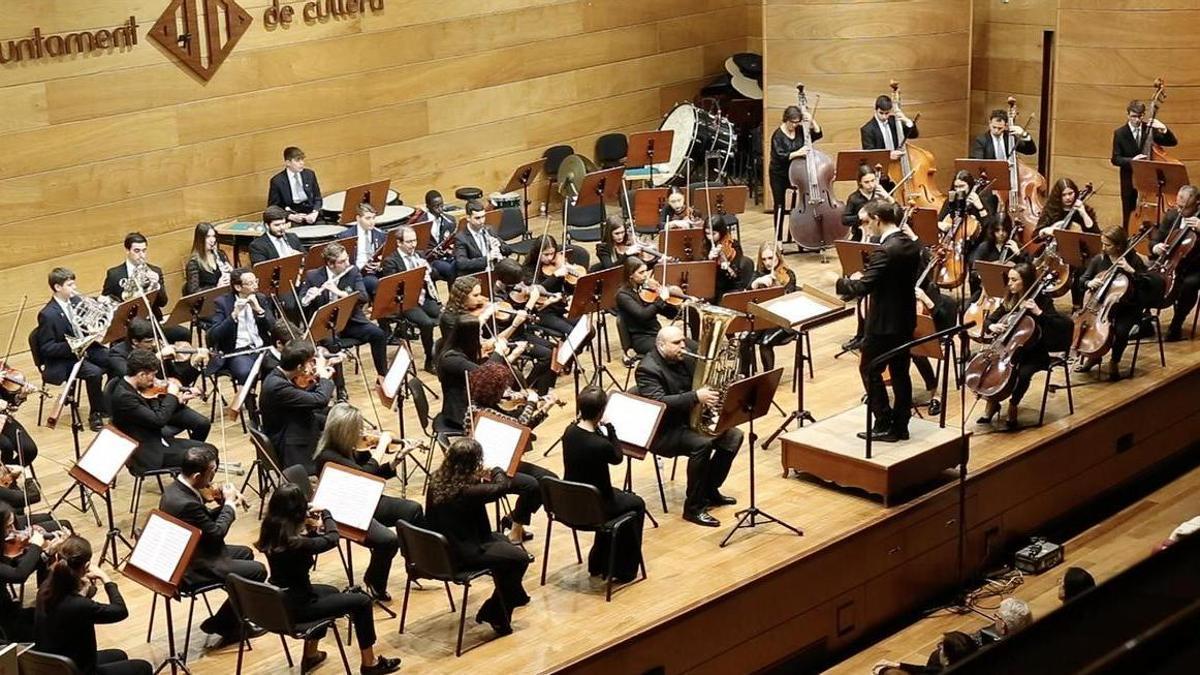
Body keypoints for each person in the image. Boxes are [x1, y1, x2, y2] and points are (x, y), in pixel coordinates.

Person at [255, 484, 402, 675]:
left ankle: (311, 655)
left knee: (330, 591)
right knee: (362, 601)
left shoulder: (271, 530)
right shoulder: (296, 542)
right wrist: (327, 513)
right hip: (300, 607)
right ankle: (370, 663)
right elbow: (332, 539)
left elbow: (303, 550)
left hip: (282, 600)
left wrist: (309, 527)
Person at [436, 315, 553, 544]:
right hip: (488, 468)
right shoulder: (485, 413)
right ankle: (516, 528)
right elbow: (520, 426)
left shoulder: (480, 404)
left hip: (500, 459)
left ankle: (515, 521)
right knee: (536, 485)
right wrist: (531, 402)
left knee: (547, 478)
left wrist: (542, 408)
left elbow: (519, 427)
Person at [159, 446, 267, 647]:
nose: (213, 477)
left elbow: (203, 521)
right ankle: (226, 624)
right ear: (197, 475)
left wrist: (224, 504)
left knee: (246, 553)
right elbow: (216, 533)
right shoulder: (186, 503)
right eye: (212, 472)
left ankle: (229, 617)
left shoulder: (175, 490)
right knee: (258, 571)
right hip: (195, 565)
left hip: (193, 550)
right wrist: (229, 506)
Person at [313, 403, 423, 599]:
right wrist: (381, 446)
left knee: (412, 510)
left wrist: (395, 460)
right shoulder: (327, 456)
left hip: (363, 498)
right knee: (388, 541)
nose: (362, 432)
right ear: (345, 431)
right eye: (358, 429)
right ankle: (374, 580)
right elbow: (363, 475)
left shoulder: (347, 449)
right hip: (343, 511)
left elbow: (368, 476)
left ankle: (416, 565)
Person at [636, 325, 743, 527]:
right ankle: (693, 508)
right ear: (661, 344)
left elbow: (704, 380)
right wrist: (695, 397)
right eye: (677, 343)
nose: (683, 346)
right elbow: (660, 403)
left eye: (683, 341)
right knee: (702, 445)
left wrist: (724, 383)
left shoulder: (684, 358)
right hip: (664, 431)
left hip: (688, 420)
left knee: (733, 436)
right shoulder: (647, 369)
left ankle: (709, 490)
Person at [425, 438, 531, 635]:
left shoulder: (436, 480)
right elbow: (502, 487)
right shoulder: (467, 491)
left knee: (503, 541)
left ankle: (511, 595)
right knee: (520, 559)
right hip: (464, 553)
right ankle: (495, 611)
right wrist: (495, 470)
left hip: (445, 547)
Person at [835, 201, 922, 442]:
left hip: (884, 323)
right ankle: (901, 426)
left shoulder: (886, 250)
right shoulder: (910, 245)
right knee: (900, 373)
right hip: (905, 319)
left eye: (866, 222)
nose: (866, 227)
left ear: (877, 219)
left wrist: (841, 281)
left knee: (869, 369)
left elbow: (863, 287)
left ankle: (883, 422)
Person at [33, 535, 153, 675]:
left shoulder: (46, 587)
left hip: (54, 665)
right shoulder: (80, 605)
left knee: (119, 655)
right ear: (87, 566)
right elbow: (120, 611)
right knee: (143, 667)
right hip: (79, 671)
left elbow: (68, 607)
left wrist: (82, 592)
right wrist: (106, 579)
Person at [561, 387, 645, 582]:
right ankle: (623, 570)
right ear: (601, 412)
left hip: (572, 501)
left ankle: (598, 562)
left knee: (620, 498)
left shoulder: (569, 431)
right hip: (598, 506)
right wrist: (611, 430)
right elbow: (617, 457)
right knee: (637, 504)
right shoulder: (600, 445)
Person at [977, 262, 1073, 430]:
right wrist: (992, 326)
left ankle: (1013, 404)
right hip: (1009, 351)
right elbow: (990, 319)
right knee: (989, 370)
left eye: (1014, 280)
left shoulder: (1042, 300)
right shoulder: (1011, 298)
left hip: (1035, 353)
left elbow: (1059, 326)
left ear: (1026, 281)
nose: (1009, 283)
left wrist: (1039, 313)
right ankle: (992, 402)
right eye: (1009, 279)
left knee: (1022, 373)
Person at [106, 349, 216, 473]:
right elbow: (158, 420)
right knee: (207, 455)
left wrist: (177, 400)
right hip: (149, 453)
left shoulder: (133, 387)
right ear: (141, 375)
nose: (154, 380)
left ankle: (192, 483)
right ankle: (190, 486)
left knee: (208, 451)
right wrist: (172, 396)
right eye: (152, 375)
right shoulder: (124, 397)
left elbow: (152, 409)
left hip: (156, 440)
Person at [1076, 225, 1159, 380]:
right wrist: (1090, 283)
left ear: (1119, 245)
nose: (1103, 247)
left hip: (1128, 306)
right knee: (1091, 327)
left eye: (1107, 245)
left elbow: (1148, 284)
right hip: (1101, 307)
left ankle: (1114, 361)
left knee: (1120, 331)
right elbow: (1082, 280)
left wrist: (1131, 271)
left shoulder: (1133, 259)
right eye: (1102, 243)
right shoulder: (1099, 259)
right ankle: (1093, 357)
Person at [107, 321, 210, 441]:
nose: (154, 344)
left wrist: (195, 363)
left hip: (163, 399)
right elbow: (130, 374)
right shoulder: (117, 353)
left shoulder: (155, 348)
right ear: (135, 341)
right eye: (148, 341)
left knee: (202, 424)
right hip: (141, 406)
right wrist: (158, 356)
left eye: (154, 339)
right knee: (165, 436)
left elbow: (177, 378)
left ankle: (193, 456)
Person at [35, 267, 111, 430]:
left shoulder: (76, 302)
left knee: (115, 360)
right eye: (70, 285)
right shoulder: (48, 314)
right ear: (57, 287)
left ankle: (109, 404)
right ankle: (95, 414)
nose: (74, 288)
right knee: (94, 373)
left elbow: (88, 324)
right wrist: (73, 346)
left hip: (88, 349)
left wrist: (95, 328)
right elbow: (47, 348)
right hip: (66, 359)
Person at [298, 242, 390, 375]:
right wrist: (308, 297)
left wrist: (340, 293)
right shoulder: (313, 276)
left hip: (350, 322)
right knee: (332, 344)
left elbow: (363, 297)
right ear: (330, 264)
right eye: (342, 261)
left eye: (347, 258)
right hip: (326, 326)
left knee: (379, 334)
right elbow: (301, 303)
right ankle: (341, 388)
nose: (347, 263)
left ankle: (383, 376)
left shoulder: (352, 271)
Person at [260, 340, 336, 472]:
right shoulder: (277, 385)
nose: (313, 365)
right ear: (300, 367)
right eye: (310, 361)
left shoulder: (278, 376)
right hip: (288, 440)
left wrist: (318, 380)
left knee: (335, 416)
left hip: (291, 423)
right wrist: (325, 378)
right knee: (334, 425)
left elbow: (301, 396)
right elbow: (320, 400)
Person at [100, 233, 190, 343]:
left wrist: (157, 285)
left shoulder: (155, 271)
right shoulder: (114, 274)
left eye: (144, 250)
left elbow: (163, 303)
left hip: (151, 323)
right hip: (127, 327)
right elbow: (104, 302)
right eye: (137, 251)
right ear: (127, 251)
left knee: (184, 334)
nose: (142, 255)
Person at [379, 224, 443, 372]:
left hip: (423, 297)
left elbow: (435, 275)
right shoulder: (391, 261)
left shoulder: (419, 255)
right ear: (399, 243)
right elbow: (392, 288)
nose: (413, 245)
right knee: (426, 323)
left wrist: (429, 269)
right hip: (406, 302)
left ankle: (444, 354)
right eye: (409, 242)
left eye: (414, 241)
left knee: (446, 317)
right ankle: (430, 360)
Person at [0, 502, 67, 642]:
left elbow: (14, 565)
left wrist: (47, 553)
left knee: (56, 616)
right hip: (3, 625)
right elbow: (18, 574)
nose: (13, 531)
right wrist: (36, 546)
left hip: (9, 609)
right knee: (54, 628)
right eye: (8, 527)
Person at [1112, 99, 1178, 227]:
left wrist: (1164, 129)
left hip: (1148, 180)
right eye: (1133, 116)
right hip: (1129, 179)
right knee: (1129, 213)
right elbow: (1115, 158)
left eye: (1140, 116)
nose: (1136, 120)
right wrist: (1132, 161)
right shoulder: (1120, 133)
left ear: (1143, 115)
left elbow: (1172, 142)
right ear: (1128, 115)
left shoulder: (1149, 130)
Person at [207, 268, 276, 384]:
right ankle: (249, 401)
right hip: (238, 351)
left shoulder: (260, 298)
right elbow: (214, 335)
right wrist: (233, 315)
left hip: (261, 347)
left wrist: (259, 311)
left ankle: (268, 398)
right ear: (238, 287)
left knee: (277, 367)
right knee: (245, 372)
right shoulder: (222, 303)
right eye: (250, 283)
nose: (255, 286)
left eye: (256, 281)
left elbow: (273, 327)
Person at [1151, 184, 1200, 342]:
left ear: (1197, 204)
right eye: (1178, 206)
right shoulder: (1172, 216)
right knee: (1145, 276)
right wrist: (1156, 247)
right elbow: (1154, 240)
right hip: (1170, 264)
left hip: (1195, 268)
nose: (1179, 210)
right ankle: (1143, 322)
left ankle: (1176, 324)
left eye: (1184, 207)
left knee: (1190, 285)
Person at [740, 242, 798, 375]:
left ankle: (768, 377)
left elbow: (788, 300)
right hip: (764, 318)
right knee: (744, 339)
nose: (767, 263)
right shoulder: (758, 274)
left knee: (765, 342)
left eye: (771, 258)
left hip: (784, 320)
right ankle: (744, 375)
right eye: (764, 259)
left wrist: (776, 287)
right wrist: (756, 283)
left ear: (778, 257)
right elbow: (747, 294)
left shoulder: (788, 274)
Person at [769, 105, 823, 240]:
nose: (794, 125)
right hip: (779, 175)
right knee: (779, 205)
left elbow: (817, 134)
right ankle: (779, 239)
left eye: (797, 122)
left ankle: (807, 235)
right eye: (792, 122)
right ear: (786, 120)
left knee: (808, 200)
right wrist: (797, 153)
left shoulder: (800, 130)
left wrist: (812, 121)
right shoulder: (777, 135)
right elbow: (779, 155)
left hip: (797, 174)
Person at [615, 258, 679, 357]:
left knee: (692, 346)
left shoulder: (645, 290)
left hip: (657, 333)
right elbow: (643, 315)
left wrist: (667, 301)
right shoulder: (623, 295)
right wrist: (660, 300)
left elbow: (671, 314)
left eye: (646, 271)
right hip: (641, 338)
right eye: (641, 272)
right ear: (630, 275)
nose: (646, 275)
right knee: (676, 351)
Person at [967, 219, 1025, 302]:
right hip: (986, 291)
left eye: (1004, 230)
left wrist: (1019, 253)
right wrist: (984, 276)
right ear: (993, 231)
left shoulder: (1015, 246)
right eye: (997, 230)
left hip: (1010, 292)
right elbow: (974, 271)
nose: (1001, 233)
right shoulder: (984, 247)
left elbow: (1028, 269)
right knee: (966, 307)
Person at [339, 202, 388, 298]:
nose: (372, 222)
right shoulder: (346, 236)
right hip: (358, 275)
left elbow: (385, 255)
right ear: (358, 218)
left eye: (373, 218)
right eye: (368, 218)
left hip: (377, 271)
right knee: (376, 284)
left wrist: (380, 263)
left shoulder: (381, 234)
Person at [860, 94, 919, 170]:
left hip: (899, 168)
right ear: (875, 110)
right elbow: (870, 155)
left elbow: (914, 135)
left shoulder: (895, 121)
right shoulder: (867, 129)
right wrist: (888, 156)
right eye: (881, 113)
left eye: (887, 113)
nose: (884, 117)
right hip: (881, 171)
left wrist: (906, 120)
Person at [267, 146, 322, 224]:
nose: (302, 163)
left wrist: (315, 212)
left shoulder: (309, 174)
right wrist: (290, 216)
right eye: (297, 160)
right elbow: (273, 208)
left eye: (302, 159)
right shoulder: (277, 181)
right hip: (292, 216)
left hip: (311, 213)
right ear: (288, 163)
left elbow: (318, 197)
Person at [454, 199, 510, 274]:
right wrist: (488, 258)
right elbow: (462, 264)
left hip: (494, 271)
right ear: (468, 218)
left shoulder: (488, 229)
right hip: (477, 275)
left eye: (483, 217)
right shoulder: (461, 238)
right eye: (477, 218)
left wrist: (499, 246)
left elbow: (508, 250)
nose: (482, 221)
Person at [417, 189, 459, 285]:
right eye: (436, 206)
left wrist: (449, 250)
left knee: (461, 264)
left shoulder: (450, 220)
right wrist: (430, 253)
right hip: (431, 260)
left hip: (446, 256)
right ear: (428, 206)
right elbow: (418, 248)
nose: (440, 209)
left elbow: (452, 242)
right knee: (450, 269)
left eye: (441, 205)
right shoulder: (421, 224)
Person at [708, 217, 754, 297]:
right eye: (707, 233)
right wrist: (709, 260)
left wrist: (725, 264)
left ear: (721, 232)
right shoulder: (705, 247)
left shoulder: (734, 245)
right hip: (714, 286)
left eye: (713, 234)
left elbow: (736, 275)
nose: (710, 237)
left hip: (732, 285)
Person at [843, 165, 891, 241]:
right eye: (866, 182)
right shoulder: (854, 198)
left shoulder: (879, 193)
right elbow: (845, 220)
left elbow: (893, 213)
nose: (871, 185)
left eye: (873, 180)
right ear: (860, 182)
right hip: (861, 236)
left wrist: (888, 197)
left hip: (880, 235)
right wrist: (860, 217)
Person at [183, 222, 233, 295]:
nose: (212, 240)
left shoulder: (220, 254)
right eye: (208, 237)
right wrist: (216, 287)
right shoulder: (193, 263)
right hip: (208, 302)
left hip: (224, 296)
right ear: (200, 239)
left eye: (213, 236)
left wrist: (232, 272)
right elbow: (194, 292)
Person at [970, 108, 1037, 160]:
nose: (996, 130)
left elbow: (1030, 151)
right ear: (990, 123)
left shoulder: (1010, 138)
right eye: (994, 127)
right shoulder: (981, 140)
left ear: (1006, 126)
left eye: (1000, 128)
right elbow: (978, 161)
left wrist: (1024, 134)